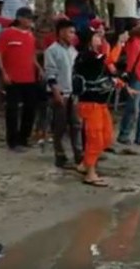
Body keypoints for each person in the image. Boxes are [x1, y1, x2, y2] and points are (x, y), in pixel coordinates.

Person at [74, 27, 131, 186]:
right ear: (89, 40)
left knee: (106, 137)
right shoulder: (87, 57)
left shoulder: (94, 57)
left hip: (100, 103)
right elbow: (108, 61)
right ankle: (90, 173)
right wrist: (119, 43)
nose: (100, 37)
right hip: (90, 103)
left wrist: (122, 84)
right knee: (95, 138)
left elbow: (109, 68)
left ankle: (85, 164)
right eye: (96, 35)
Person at [0, 7, 41, 151]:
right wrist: (3, 72)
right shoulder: (7, 34)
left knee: (30, 108)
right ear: (20, 18)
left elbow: (32, 54)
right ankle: (12, 141)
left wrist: (38, 67)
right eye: (28, 18)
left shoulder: (30, 35)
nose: (30, 21)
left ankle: (24, 138)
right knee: (12, 110)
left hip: (29, 77)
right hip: (13, 77)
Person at [45, 19, 82, 169]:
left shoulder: (73, 51)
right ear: (61, 32)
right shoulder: (52, 50)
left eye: (73, 32)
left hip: (72, 92)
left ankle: (78, 153)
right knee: (59, 125)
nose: (72, 35)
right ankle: (60, 155)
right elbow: (50, 73)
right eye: (70, 32)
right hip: (60, 92)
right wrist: (56, 91)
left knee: (75, 124)